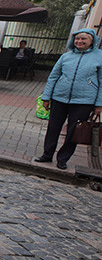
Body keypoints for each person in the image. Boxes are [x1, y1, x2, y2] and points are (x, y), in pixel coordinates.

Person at [35, 29, 102, 169]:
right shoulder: (66, 56)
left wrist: (99, 104)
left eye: (83, 39)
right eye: (77, 39)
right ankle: (47, 154)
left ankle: (63, 158)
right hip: (59, 98)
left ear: (92, 41)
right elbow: (53, 77)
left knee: (73, 132)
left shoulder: (99, 57)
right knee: (53, 128)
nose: (79, 41)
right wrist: (46, 97)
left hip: (84, 101)